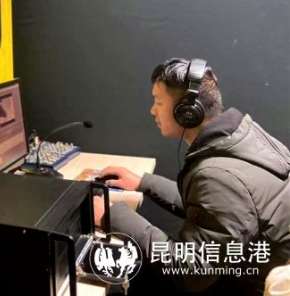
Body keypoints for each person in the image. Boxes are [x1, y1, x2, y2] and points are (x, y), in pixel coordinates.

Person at [93, 58, 290, 295]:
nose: (152, 110)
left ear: (187, 113)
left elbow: (192, 270)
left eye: (158, 102)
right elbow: (211, 209)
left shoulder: (218, 176)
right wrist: (144, 183)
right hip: (248, 269)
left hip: (242, 285)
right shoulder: (242, 137)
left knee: (135, 272)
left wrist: (112, 215)